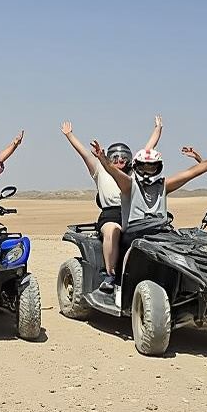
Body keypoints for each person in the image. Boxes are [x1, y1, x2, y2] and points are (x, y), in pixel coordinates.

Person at [61, 116, 162, 292]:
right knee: (112, 231)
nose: (119, 160)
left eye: (124, 157)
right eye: (115, 157)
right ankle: (110, 274)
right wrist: (70, 135)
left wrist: (157, 129)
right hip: (110, 214)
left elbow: (148, 150)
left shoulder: (136, 173)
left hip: (134, 213)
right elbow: (84, 153)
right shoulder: (100, 170)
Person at [90, 139, 207, 252]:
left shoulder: (163, 185)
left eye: (151, 167)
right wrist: (103, 159)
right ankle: (112, 277)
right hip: (134, 234)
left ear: (158, 167)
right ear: (136, 167)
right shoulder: (129, 185)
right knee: (134, 255)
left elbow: (191, 173)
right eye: (143, 167)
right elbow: (114, 172)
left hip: (160, 232)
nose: (147, 171)